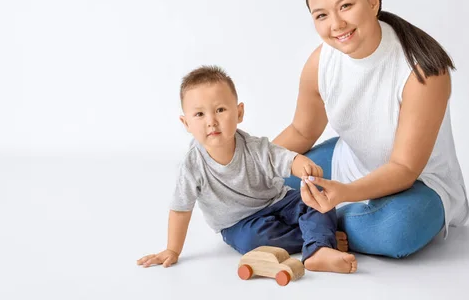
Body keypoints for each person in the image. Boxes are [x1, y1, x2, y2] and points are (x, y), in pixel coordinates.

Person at [273, 0, 469, 259]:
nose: (336, 24)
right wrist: (245, 164)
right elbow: (301, 130)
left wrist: (343, 193)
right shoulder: (320, 62)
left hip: (418, 183)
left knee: (397, 231)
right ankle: (319, 224)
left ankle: (312, 224)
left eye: (345, 6)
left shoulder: (423, 70)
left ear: (373, 1)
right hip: (351, 159)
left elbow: (404, 169)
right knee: (267, 184)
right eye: (321, 15)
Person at [137, 66, 357, 273]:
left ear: (239, 113)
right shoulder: (192, 166)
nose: (212, 121)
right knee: (253, 241)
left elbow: (284, 158)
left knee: (319, 198)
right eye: (200, 115)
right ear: (186, 124)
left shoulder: (255, 147)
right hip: (239, 224)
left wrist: (301, 165)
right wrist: (172, 250)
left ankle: (318, 250)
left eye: (220, 110)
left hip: (279, 201)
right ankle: (318, 238)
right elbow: (180, 209)